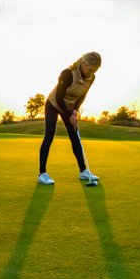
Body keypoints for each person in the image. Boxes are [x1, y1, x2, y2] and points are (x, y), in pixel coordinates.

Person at [38, 52, 101, 185]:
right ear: (83, 64)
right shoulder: (67, 74)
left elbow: (83, 95)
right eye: (90, 70)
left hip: (70, 106)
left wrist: (75, 110)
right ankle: (42, 174)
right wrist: (69, 115)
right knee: (49, 136)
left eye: (94, 71)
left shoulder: (92, 77)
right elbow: (59, 98)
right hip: (54, 104)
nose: (91, 73)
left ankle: (83, 171)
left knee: (75, 137)